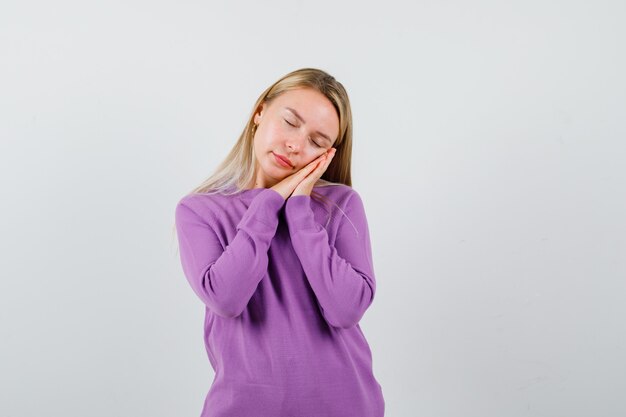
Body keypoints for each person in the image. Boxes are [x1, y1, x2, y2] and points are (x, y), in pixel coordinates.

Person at [174, 67, 385, 417]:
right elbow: (226, 297)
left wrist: (299, 208)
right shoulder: (199, 211)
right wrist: (269, 202)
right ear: (260, 112)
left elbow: (346, 309)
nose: (296, 144)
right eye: (290, 121)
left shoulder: (342, 206)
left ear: (327, 155)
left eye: (317, 142)